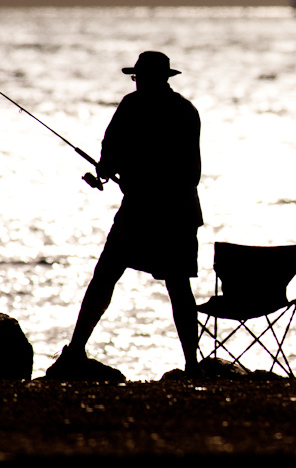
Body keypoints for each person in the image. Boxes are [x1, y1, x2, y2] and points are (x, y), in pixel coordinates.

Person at [47, 51, 204, 378]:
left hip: (142, 210)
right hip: (180, 212)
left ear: (146, 78)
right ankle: (192, 364)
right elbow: (192, 172)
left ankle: (76, 350)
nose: (137, 83)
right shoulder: (186, 111)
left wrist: (108, 170)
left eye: (139, 78)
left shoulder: (132, 106)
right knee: (177, 287)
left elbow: (109, 154)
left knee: (105, 277)